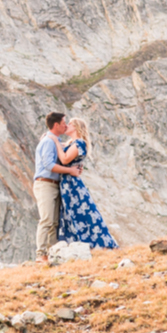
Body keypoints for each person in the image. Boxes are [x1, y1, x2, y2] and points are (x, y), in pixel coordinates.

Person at [55, 117, 118, 250]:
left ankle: (96, 243)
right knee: (72, 213)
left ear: (77, 127)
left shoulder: (79, 143)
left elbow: (65, 159)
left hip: (72, 184)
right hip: (67, 183)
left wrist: (55, 141)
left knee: (81, 212)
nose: (67, 125)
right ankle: (78, 242)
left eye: (70, 124)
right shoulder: (72, 143)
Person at [33, 112, 80, 263]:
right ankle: (41, 254)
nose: (66, 126)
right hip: (45, 183)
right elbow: (48, 165)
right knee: (46, 220)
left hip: (54, 184)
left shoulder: (54, 141)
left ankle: (52, 253)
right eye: (64, 123)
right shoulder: (48, 142)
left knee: (54, 222)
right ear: (56, 125)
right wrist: (70, 171)